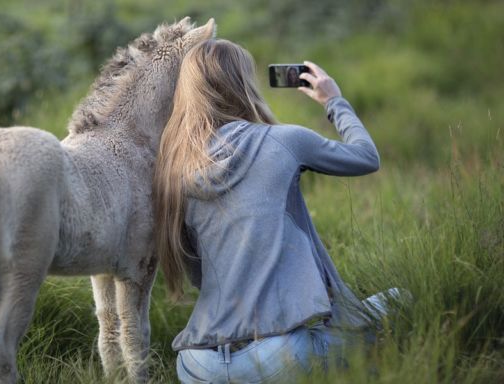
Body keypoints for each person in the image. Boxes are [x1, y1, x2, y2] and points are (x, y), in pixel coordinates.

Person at [154, 39, 392, 383]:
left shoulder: (175, 170)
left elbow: (198, 276)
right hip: (277, 358)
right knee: (399, 301)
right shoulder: (284, 141)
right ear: (242, 84)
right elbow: (366, 157)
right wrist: (333, 100)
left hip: (196, 366)